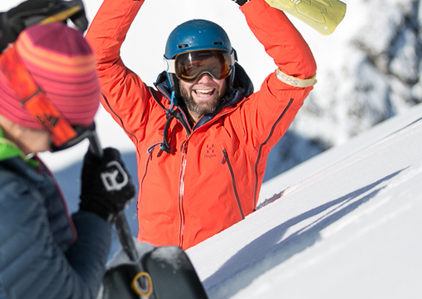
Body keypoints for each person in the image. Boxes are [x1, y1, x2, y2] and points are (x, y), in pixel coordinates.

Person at [85, 0, 317, 249]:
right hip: (159, 274)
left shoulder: (245, 127)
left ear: (230, 69)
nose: (205, 80)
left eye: (216, 67)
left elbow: (298, 71)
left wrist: (250, 2)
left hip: (226, 269)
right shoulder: (148, 118)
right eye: (191, 68)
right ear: (174, 73)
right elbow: (95, 59)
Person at [0, 9, 135, 299]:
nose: (53, 146)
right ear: (39, 115)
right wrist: (97, 210)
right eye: (67, 133)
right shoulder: (5, 197)